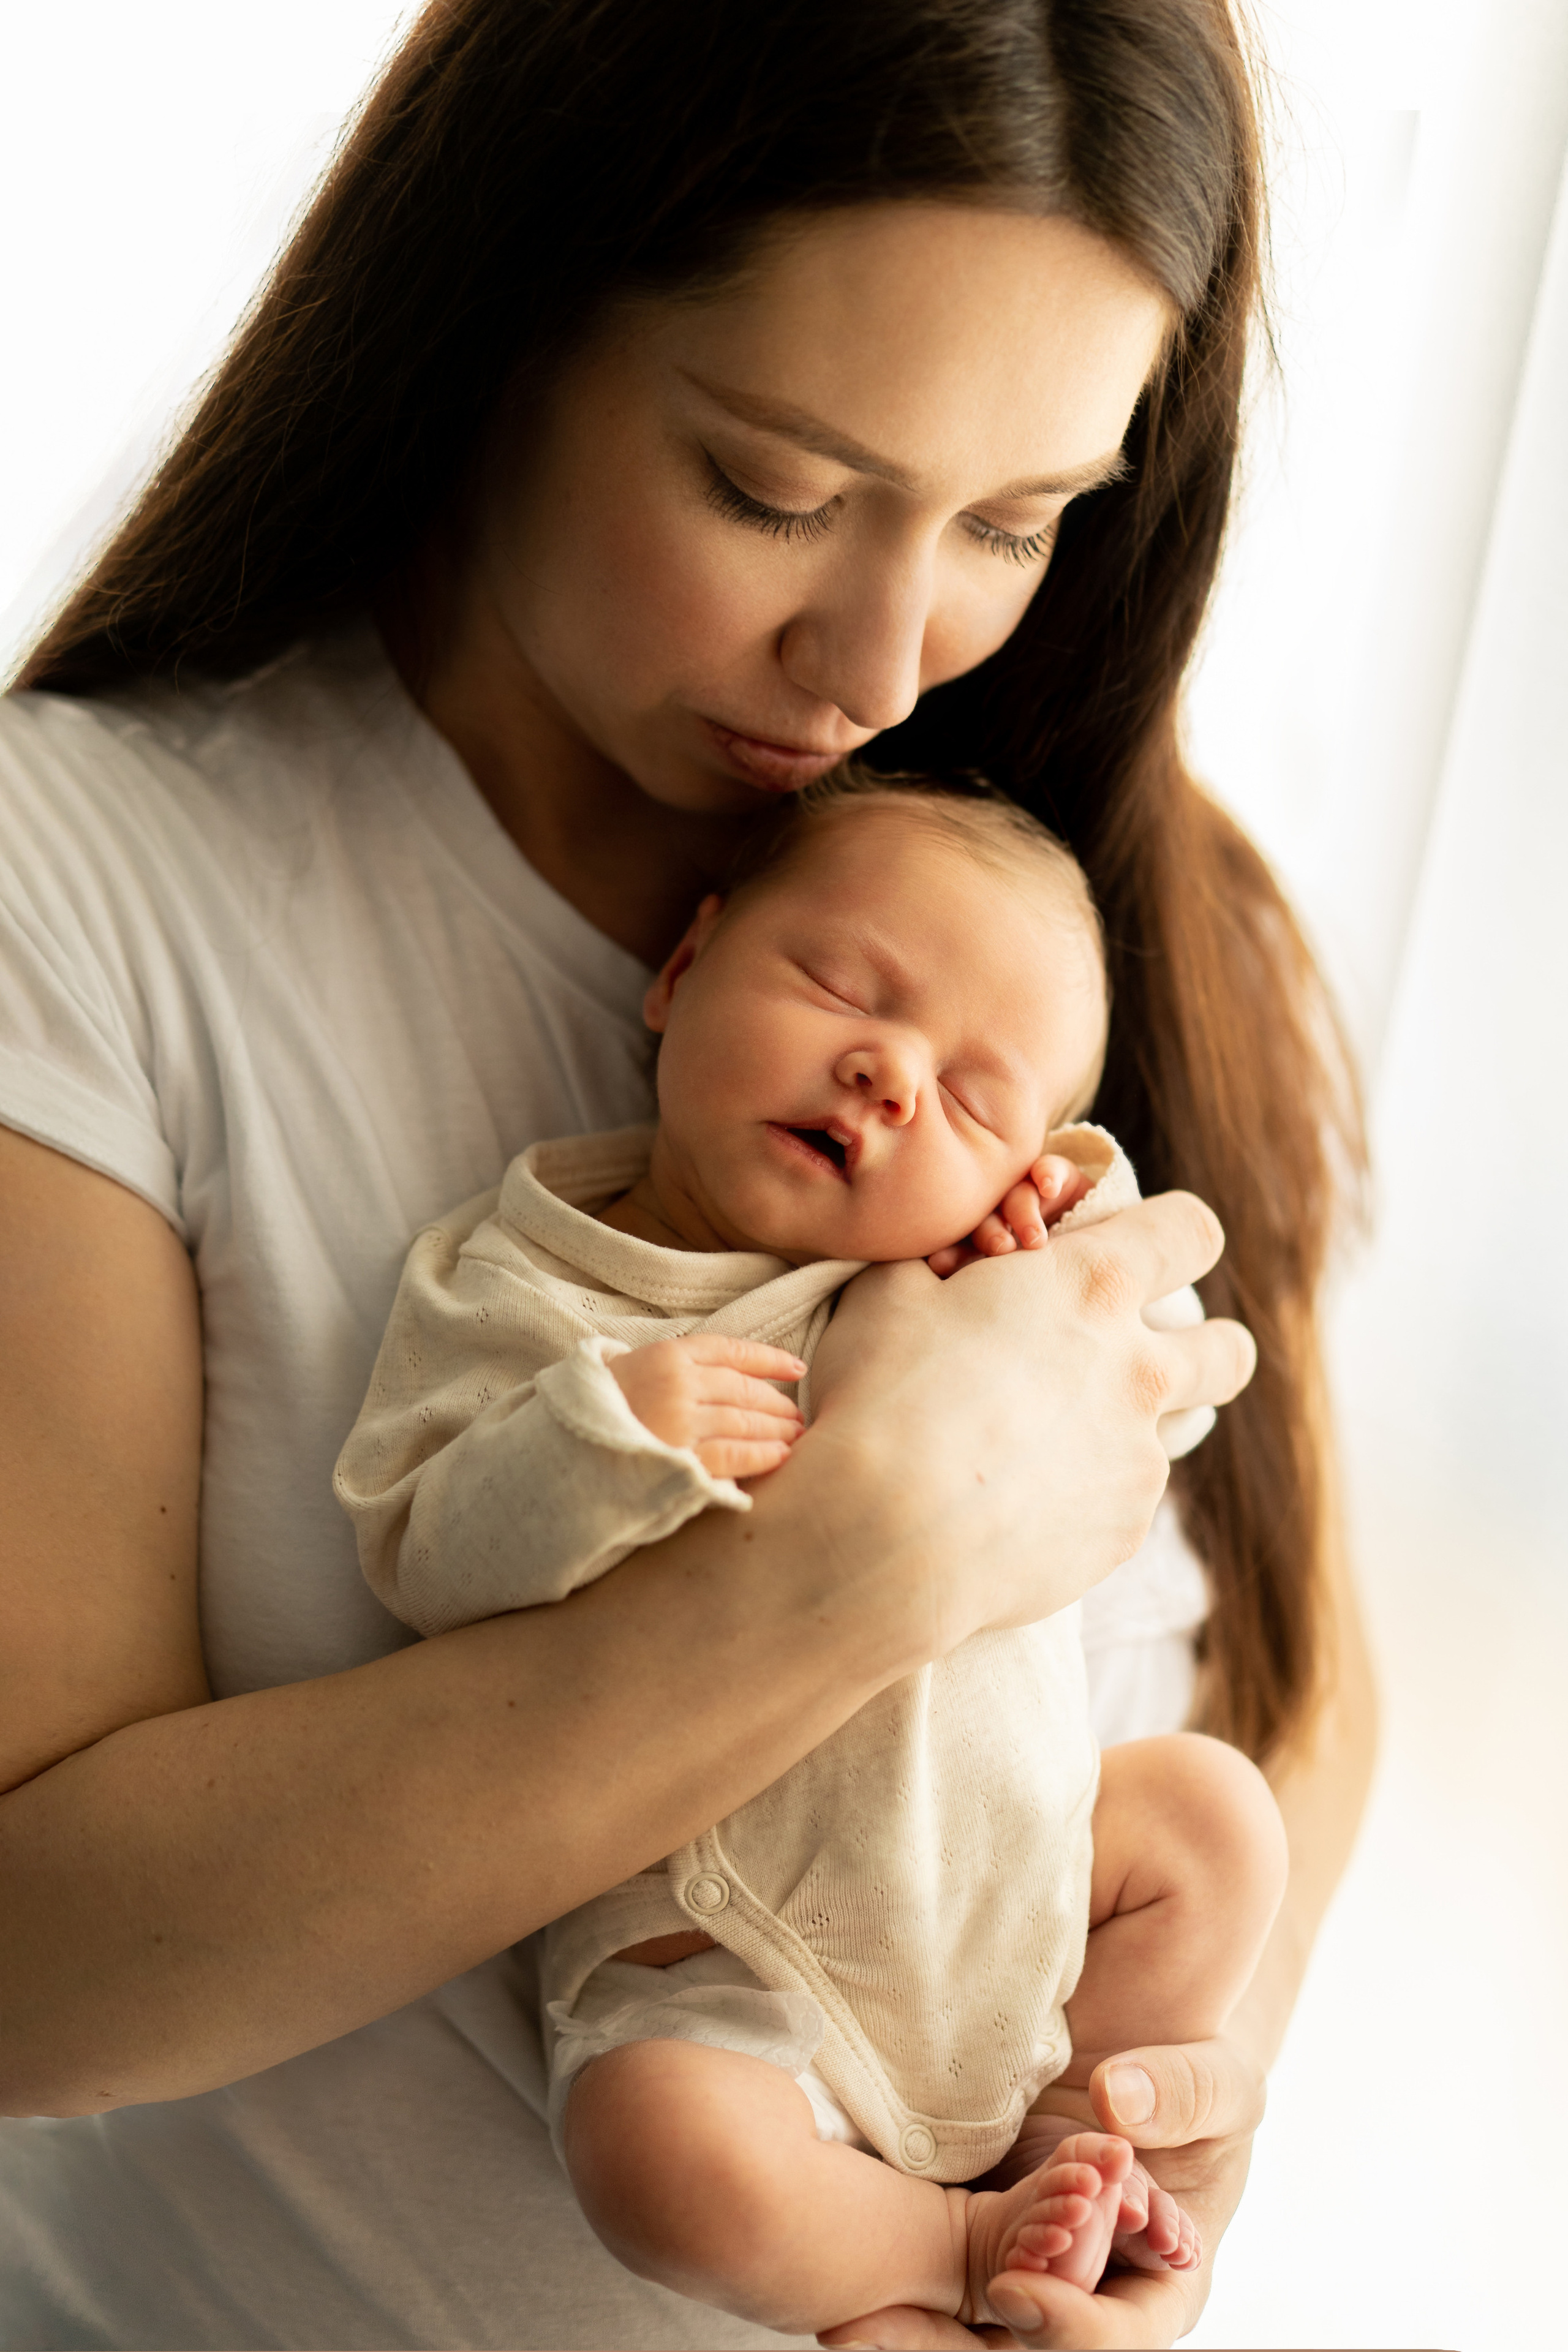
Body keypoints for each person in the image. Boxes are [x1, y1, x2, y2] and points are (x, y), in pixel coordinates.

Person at [0, 3, 1374, 2348]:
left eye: (1018, 523)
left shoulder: (1101, 916)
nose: (879, 657)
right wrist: (859, 1564)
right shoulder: (96, 884)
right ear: (502, 311)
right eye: (774, 488)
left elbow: (1283, 1677)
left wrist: (1157, 2147)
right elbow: (33, 1971)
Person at [334, 775, 1292, 2337]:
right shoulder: (526, 1289)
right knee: (662, 2166)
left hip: (1012, 1892)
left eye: (977, 1105)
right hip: (722, 1947)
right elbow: (417, 1545)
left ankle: (1072, 2152)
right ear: (680, 966)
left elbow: (1152, 1410)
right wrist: (599, 1431)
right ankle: (944, 2257)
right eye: (843, 989)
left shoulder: (951, 1275)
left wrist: (1063, 1228)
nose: (889, 1074)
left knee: (1215, 1821)